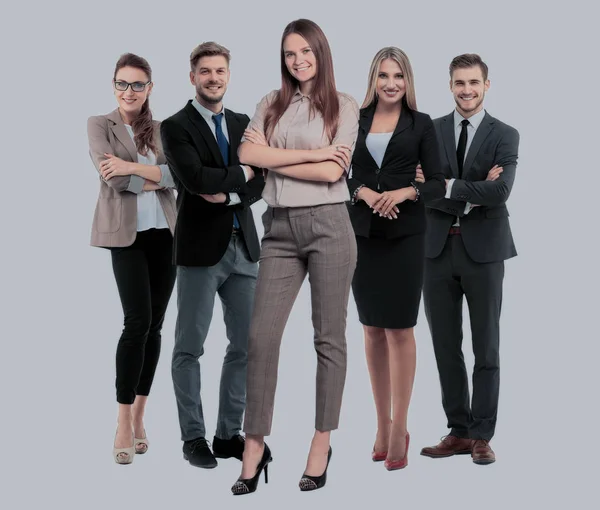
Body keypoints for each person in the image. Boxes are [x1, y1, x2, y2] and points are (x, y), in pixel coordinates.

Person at [231, 18, 359, 495]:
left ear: (321, 53)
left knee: (328, 338)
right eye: (289, 53)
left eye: (306, 50)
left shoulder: (343, 104)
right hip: (279, 229)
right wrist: (309, 156)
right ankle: (255, 444)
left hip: (330, 226)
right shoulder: (271, 102)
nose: (298, 59)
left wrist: (275, 157)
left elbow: (332, 173)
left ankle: (322, 440)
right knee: (261, 339)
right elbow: (247, 152)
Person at [159, 42, 265, 470]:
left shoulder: (244, 123)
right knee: (189, 346)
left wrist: (228, 191)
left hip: (245, 250)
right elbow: (193, 177)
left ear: (228, 74)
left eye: (220, 71)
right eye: (205, 71)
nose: (214, 78)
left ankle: (227, 434)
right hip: (201, 253)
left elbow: (264, 182)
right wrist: (241, 175)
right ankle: (193, 437)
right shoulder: (175, 126)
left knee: (245, 347)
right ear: (192, 77)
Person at [346, 47, 445, 471]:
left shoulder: (421, 124)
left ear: (407, 81)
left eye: (398, 76)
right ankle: (382, 425)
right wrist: (365, 192)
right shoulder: (353, 119)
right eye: (384, 75)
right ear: (373, 78)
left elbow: (438, 182)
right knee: (371, 330)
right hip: (362, 235)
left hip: (405, 234)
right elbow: (339, 168)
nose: (390, 83)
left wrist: (404, 193)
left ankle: (402, 426)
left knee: (400, 330)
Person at [420, 53, 520, 465]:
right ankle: (458, 431)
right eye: (459, 83)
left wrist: (446, 186)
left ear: (486, 85)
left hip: (485, 253)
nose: (466, 90)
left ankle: (482, 435)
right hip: (436, 250)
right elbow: (420, 189)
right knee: (445, 346)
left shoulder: (505, 134)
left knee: (487, 347)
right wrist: (469, 188)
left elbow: (501, 193)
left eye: (473, 83)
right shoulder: (431, 130)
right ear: (450, 85)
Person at [86, 53, 177, 465]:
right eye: (122, 83)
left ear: (150, 88)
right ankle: (122, 420)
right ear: (114, 85)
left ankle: (141, 416)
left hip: (167, 235)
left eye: (137, 84)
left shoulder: (162, 129)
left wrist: (146, 171)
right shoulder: (99, 125)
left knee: (155, 326)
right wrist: (150, 174)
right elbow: (115, 179)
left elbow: (181, 177)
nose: (129, 91)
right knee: (136, 321)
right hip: (126, 237)